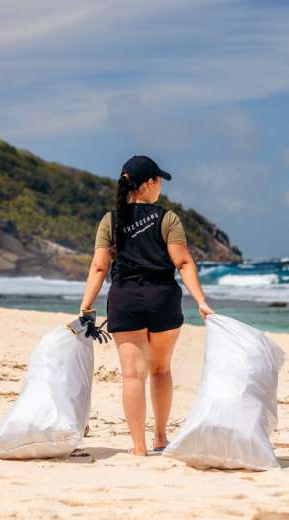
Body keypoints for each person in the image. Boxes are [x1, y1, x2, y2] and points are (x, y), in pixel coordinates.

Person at [79, 155, 214, 456]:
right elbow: (183, 262)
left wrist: (86, 306)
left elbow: (100, 268)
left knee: (132, 375)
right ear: (149, 183)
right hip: (162, 298)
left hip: (125, 299)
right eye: (159, 182)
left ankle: (139, 447)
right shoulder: (168, 219)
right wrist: (201, 301)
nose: (161, 189)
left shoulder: (110, 220)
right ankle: (161, 438)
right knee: (161, 370)